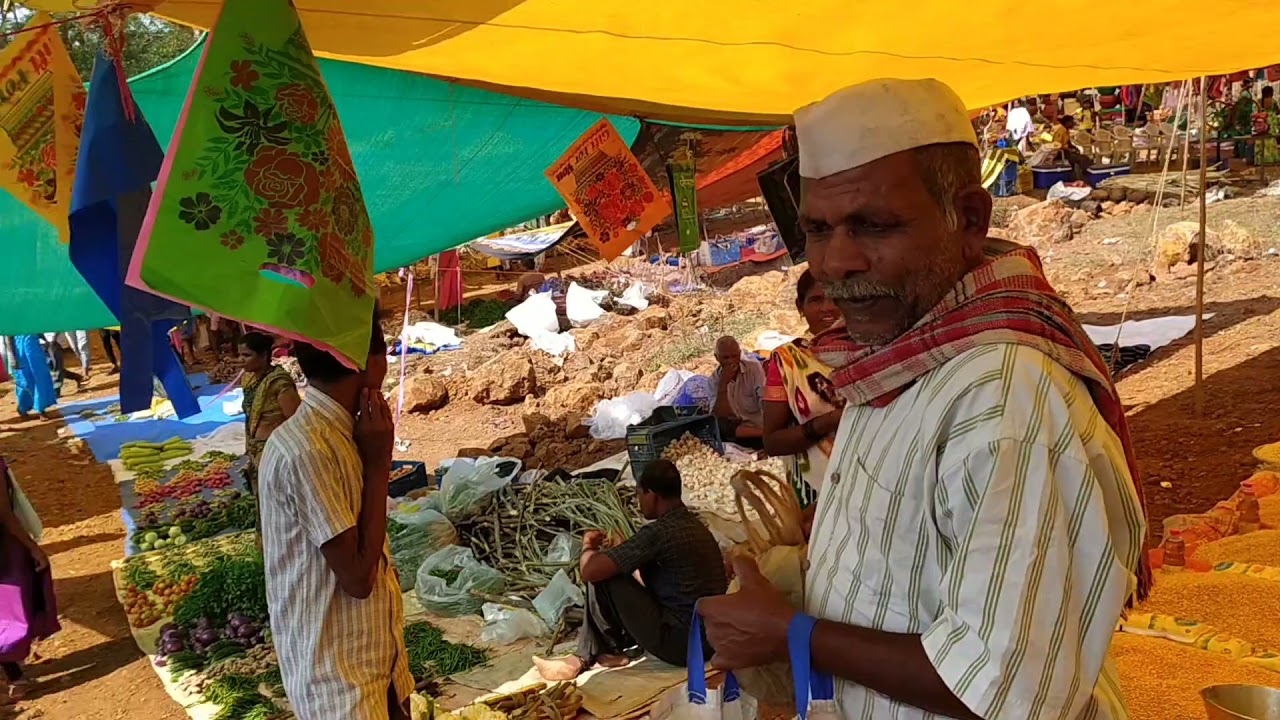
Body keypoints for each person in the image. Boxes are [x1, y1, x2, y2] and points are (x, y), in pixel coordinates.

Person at [698, 78, 1147, 720]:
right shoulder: (890, 362)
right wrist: (807, 581)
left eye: (874, 226)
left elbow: (1003, 688)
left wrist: (791, 635)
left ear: (967, 220)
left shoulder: (1002, 394)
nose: (837, 261)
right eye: (819, 230)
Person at [257, 308, 412, 720]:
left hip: (378, 664)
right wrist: (379, 465)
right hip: (338, 684)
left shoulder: (346, 432)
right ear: (368, 364)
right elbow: (358, 579)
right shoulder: (309, 449)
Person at [533, 459, 727, 681]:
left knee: (604, 574)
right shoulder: (696, 527)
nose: (638, 502)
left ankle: (590, 655)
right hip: (711, 639)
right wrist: (622, 551)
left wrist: (588, 546)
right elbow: (662, 583)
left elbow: (590, 572)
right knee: (613, 568)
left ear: (651, 494)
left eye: (639, 494)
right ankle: (608, 648)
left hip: (680, 644)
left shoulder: (658, 533)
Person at [762, 270, 842, 512]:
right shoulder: (787, 361)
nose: (828, 308)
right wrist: (828, 422)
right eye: (816, 300)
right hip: (817, 495)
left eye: (835, 298)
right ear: (800, 307)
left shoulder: (873, 349)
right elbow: (773, 442)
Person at [0, 457, 59, 704]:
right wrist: (32, 547)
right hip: (4, 549)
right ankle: (14, 677)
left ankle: (12, 673)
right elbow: (4, 513)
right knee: (11, 609)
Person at [239, 332, 301, 490]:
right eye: (239, 355)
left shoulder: (279, 382)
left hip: (275, 450)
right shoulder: (249, 379)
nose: (241, 360)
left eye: (247, 355)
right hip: (256, 450)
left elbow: (295, 420)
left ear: (264, 355)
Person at [710, 336, 766, 449]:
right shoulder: (714, 380)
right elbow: (719, 415)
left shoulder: (753, 368)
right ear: (717, 358)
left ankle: (766, 435)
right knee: (717, 424)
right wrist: (723, 386)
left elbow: (764, 399)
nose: (731, 361)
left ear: (740, 354)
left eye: (735, 356)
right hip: (738, 430)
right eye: (726, 357)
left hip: (759, 426)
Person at [2, 336, 57, 420]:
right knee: (25, 381)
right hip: (20, 351)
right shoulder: (11, 323)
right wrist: (12, 357)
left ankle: (41, 409)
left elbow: (37, 327)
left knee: (41, 379)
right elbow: (8, 337)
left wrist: (45, 339)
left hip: (35, 349)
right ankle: (22, 408)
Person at [1053, 115, 1091, 182]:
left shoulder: (1066, 130)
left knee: (1085, 157)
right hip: (1060, 152)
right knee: (1080, 159)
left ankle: (1086, 173)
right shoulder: (1060, 130)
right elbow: (1056, 145)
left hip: (1067, 151)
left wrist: (1074, 147)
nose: (1073, 123)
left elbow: (1068, 142)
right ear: (1067, 122)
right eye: (1071, 122)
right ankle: (1083, 176)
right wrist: (1068, 149)